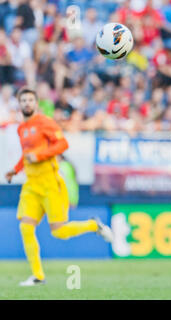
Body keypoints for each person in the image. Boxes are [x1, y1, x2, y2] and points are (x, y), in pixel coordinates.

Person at [5, 87, 113, 287]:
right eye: (24, 100)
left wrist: (39, 156)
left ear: (36, 103)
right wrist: (15, 169)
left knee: (59, 231)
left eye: (30, 100)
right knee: (25, 227)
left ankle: (93, 225)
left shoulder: (45, 123)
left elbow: (62, 145)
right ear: (19, 104)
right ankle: (38, 276)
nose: (27, 103)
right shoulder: (21, 129)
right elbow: (27, 154)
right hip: (31, 186)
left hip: (50, 183)